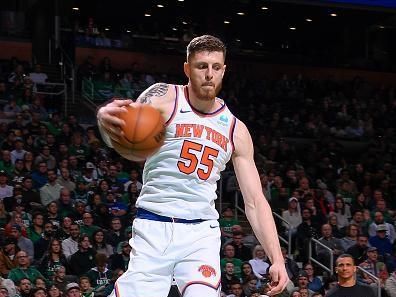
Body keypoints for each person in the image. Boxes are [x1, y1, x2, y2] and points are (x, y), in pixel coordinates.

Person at [97, 35, 288, 297]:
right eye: (201, 66)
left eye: (216, 67)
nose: (209, 74)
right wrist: (104, 122)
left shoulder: (236, 130)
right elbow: (122, 133)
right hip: (155, 225)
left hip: (202, 232)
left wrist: (277, 258)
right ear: (187, 68)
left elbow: (255, 200)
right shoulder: (163, 96)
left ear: (223, 70)